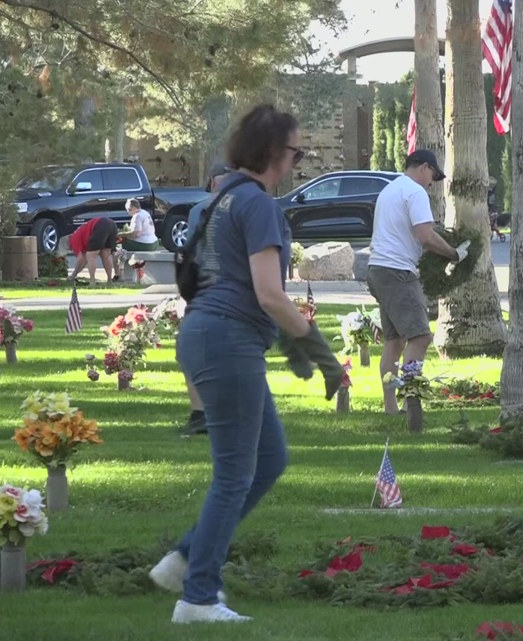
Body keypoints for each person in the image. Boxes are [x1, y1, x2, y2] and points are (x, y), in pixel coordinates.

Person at [148, 104, 342, 624]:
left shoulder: (223, 197)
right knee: (234, 473)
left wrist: (283, 340)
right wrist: (322, 356)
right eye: (297, 153)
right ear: (276, 153)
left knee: (270, 458)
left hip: (209, 335)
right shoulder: (256, 204)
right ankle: (198, 598)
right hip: (225, 340)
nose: (299, 163)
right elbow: (269, 294)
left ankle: (187, 558)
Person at [366, 149, 470, 414]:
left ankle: (391, 409)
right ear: (424, 167)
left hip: (378, 268)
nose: (432, 182)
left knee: (395, 340)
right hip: (398, 271)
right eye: (433, 175)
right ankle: (412, 400)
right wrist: (454, 253)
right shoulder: (415, 192)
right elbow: (426, 236)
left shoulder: (390, 190)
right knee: (421, 336)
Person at [178, 164, 232, 438]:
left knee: (192, 350)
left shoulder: (199, 210)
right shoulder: (243, 208)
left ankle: (201, 411)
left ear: (211, 182)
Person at [67, 217, 120, 282]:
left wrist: (73, 275)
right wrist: (74, 275)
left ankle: (92, 281)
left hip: (100, 224)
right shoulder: (79, 235)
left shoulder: (73, 240)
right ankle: (109, 281)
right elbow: (84, 262)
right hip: (111, 224)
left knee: (90, 256)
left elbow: (80, 260)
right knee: (105, 255)